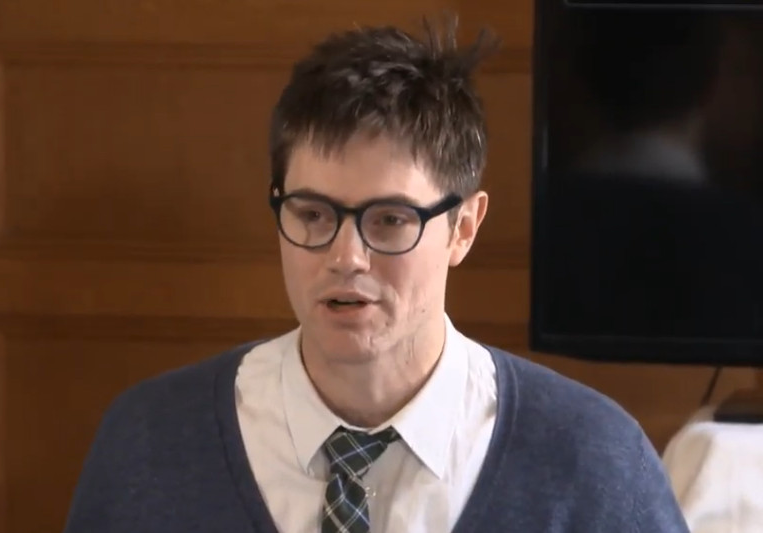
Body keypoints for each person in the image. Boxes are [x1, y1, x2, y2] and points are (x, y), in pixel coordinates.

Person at [63, 16, 690, 533]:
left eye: (389, 220)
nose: (346, 257)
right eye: (312, 214)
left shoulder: (592, 460)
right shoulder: (149, 440)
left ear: (464, 228)